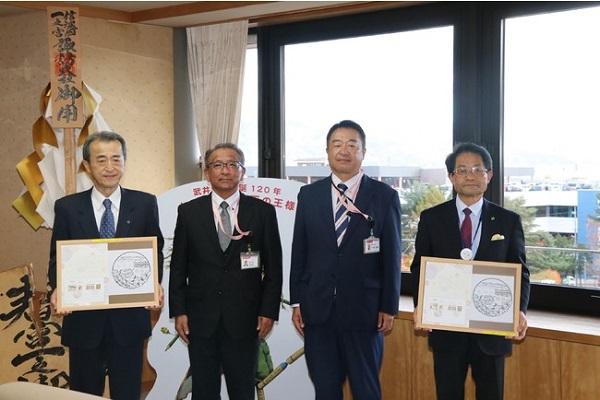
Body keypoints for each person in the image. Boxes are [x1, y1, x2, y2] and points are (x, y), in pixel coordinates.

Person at [48, 131, 165, 400]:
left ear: (125, 162)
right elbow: (57, 256)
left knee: (127, 392)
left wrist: (153, 283)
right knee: (84, 393)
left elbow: (153, 249)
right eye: (101, 160)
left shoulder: (145, 203)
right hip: (84, 319)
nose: (110, 167)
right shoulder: (67, 207)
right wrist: (57, 288)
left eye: (116, 159)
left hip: (128, 321)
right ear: (87, 166)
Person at [289, 120, 402, 400]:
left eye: (352, 145)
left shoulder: (384, 196)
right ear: (327, 152)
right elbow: (299, 250)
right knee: (326, 390)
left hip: (365, 311)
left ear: (363, 152)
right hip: (318, 310)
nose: (344, 150)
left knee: (366, 389)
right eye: (337, 144)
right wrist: (296, 300)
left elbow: (392, 256)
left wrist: (389, 306)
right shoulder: (309, 194)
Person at [410, 142, 531, 400]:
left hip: (492, 329)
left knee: (491, 395)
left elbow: (520, 270)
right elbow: (420, 266)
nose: (470, 175)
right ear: (452, 177)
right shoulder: (431, 218)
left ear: (489, 175)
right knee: (448, 394)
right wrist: (422, 305)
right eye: (462, 170)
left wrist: (518, 310)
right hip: (446, 328)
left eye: (478, 169)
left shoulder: (508, 220)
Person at [169, 143, 283, 400]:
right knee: (204, 390)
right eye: (218, 165)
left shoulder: (262, 212)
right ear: (207, 172)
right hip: (200, 318)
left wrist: (268, 311)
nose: (225, 171)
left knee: (242, 389)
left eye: (233, 164)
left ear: (242, 172)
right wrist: (179, 310)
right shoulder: (189, 212)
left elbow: (274, 267)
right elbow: (178, 267)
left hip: (246, 318)